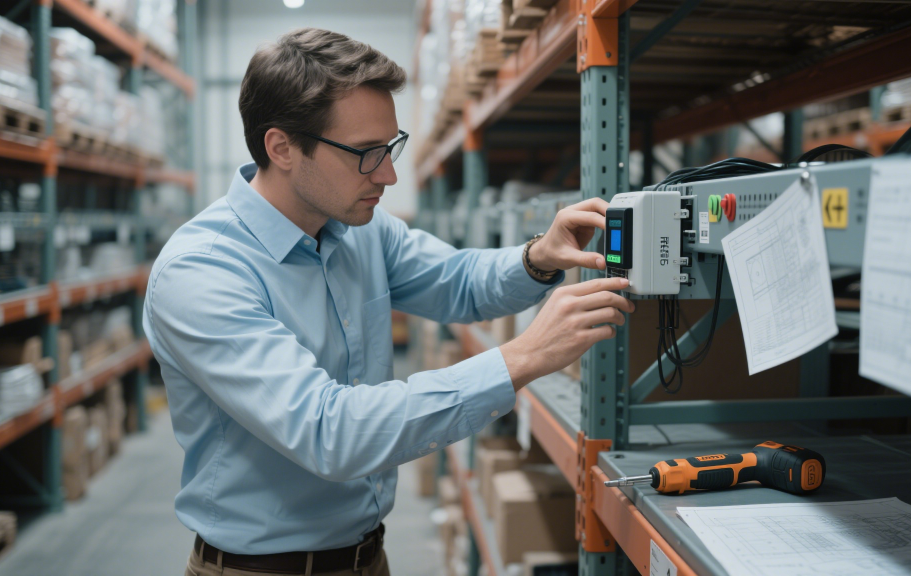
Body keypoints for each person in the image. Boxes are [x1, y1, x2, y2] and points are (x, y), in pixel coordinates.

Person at [144, 27, 634, 576]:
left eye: (391, 146)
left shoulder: (360, 230)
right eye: (367, 154)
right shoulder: (202, 272)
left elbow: (458, 280)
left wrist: (540, 256)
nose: (389, 174)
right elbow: (332, 432)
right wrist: (521, 359)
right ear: (281, 147)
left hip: (368, 557)